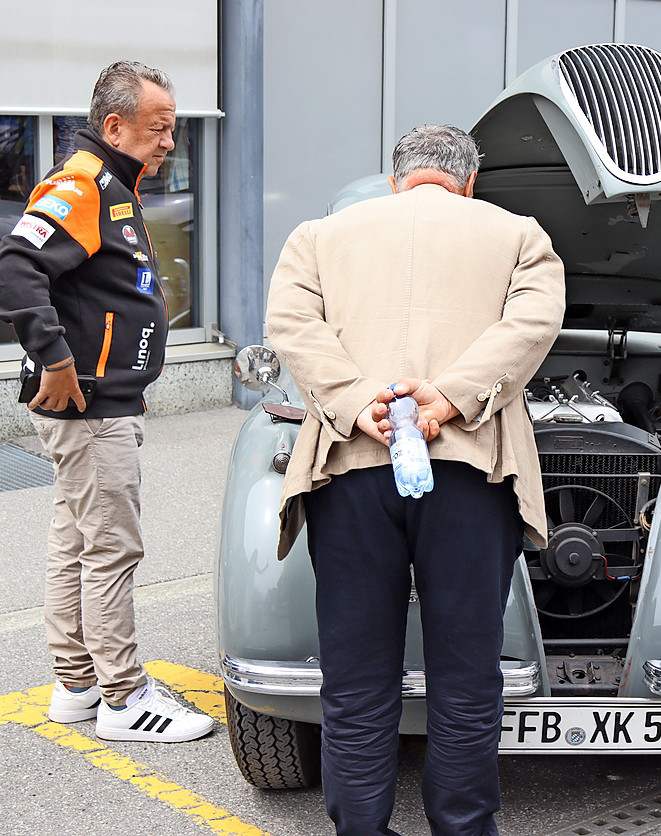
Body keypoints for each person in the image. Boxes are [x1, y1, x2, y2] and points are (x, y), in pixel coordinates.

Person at [266, 124, 565, 836]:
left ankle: (360, 828)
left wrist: (358, 401)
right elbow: (533, 322)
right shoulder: (519, 234)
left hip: (350, 468)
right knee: (465, 678)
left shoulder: (318, 236)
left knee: (355, 679)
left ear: (395, 179)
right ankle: (463, 827)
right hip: (470, 470)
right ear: (470, 181)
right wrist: (451, 397)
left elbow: (292, 323)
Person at [0, 62, 213, 742]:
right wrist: (58, 359)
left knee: (76, 544)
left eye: (173, 129)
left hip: (99, 402)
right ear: (115, 126)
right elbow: (16, 267)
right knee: (111, 550)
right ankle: (124, 697)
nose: (170, 142)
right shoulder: (84, 184)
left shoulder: (114, 185)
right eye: (160, 128)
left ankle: (76, 685)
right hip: (89, 409)